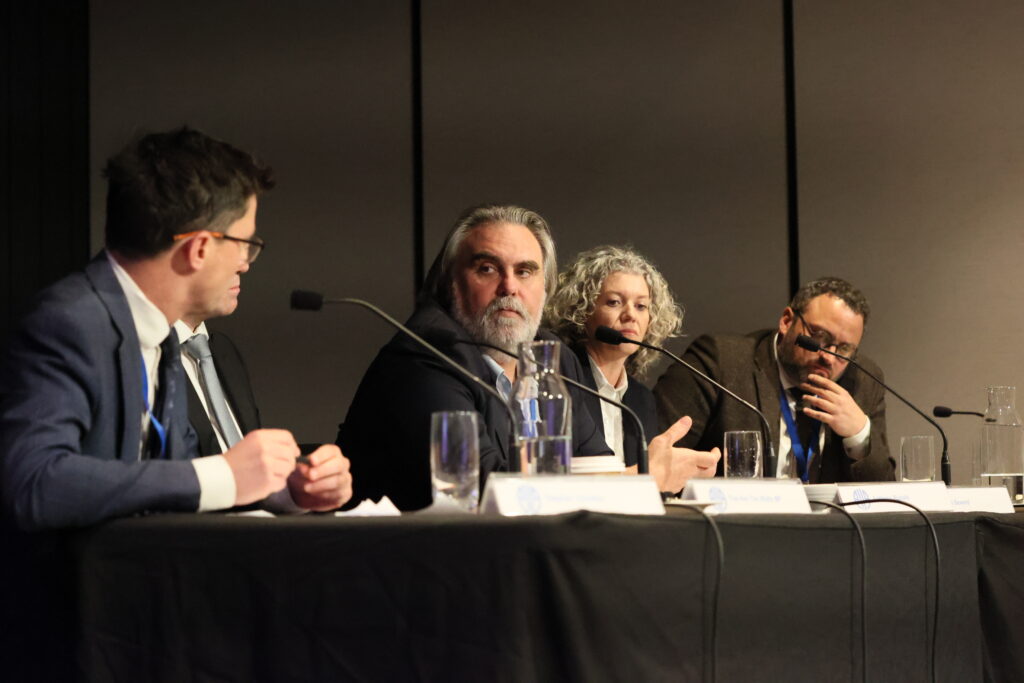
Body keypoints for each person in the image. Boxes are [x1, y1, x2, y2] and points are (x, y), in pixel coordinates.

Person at [0, 127, 352, 531]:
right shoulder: (68, 324)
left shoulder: (160, 333)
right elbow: (34, 483)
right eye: (244, 244)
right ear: (198, 249)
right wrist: (226, 475)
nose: (245, 263)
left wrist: (286, 490)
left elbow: (177, 480)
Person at [338, 204, 717, 510]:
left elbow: (596, 463)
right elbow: (482, 491)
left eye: (525, 271)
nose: (509, 287)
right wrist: (644, 480)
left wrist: (635, 478)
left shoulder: (553, 359)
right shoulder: (424, 357)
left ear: (545, 288)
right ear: (451, 283)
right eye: (487, 269)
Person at [653, 276, 894, 482]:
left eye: (844, 349)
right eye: (819, 336)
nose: (829, 357)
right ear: (787, 321)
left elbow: (887, 496)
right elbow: (654, 460)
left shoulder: (863, 381)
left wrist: (859, 435)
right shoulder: (722, 363)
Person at [546, 245, 720, 475]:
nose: (630, 315)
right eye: (614, 302)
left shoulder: (642, 399)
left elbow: (648, 479)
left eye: (641, 306)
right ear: (582, 311)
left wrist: (685, 478)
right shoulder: (562, 380)